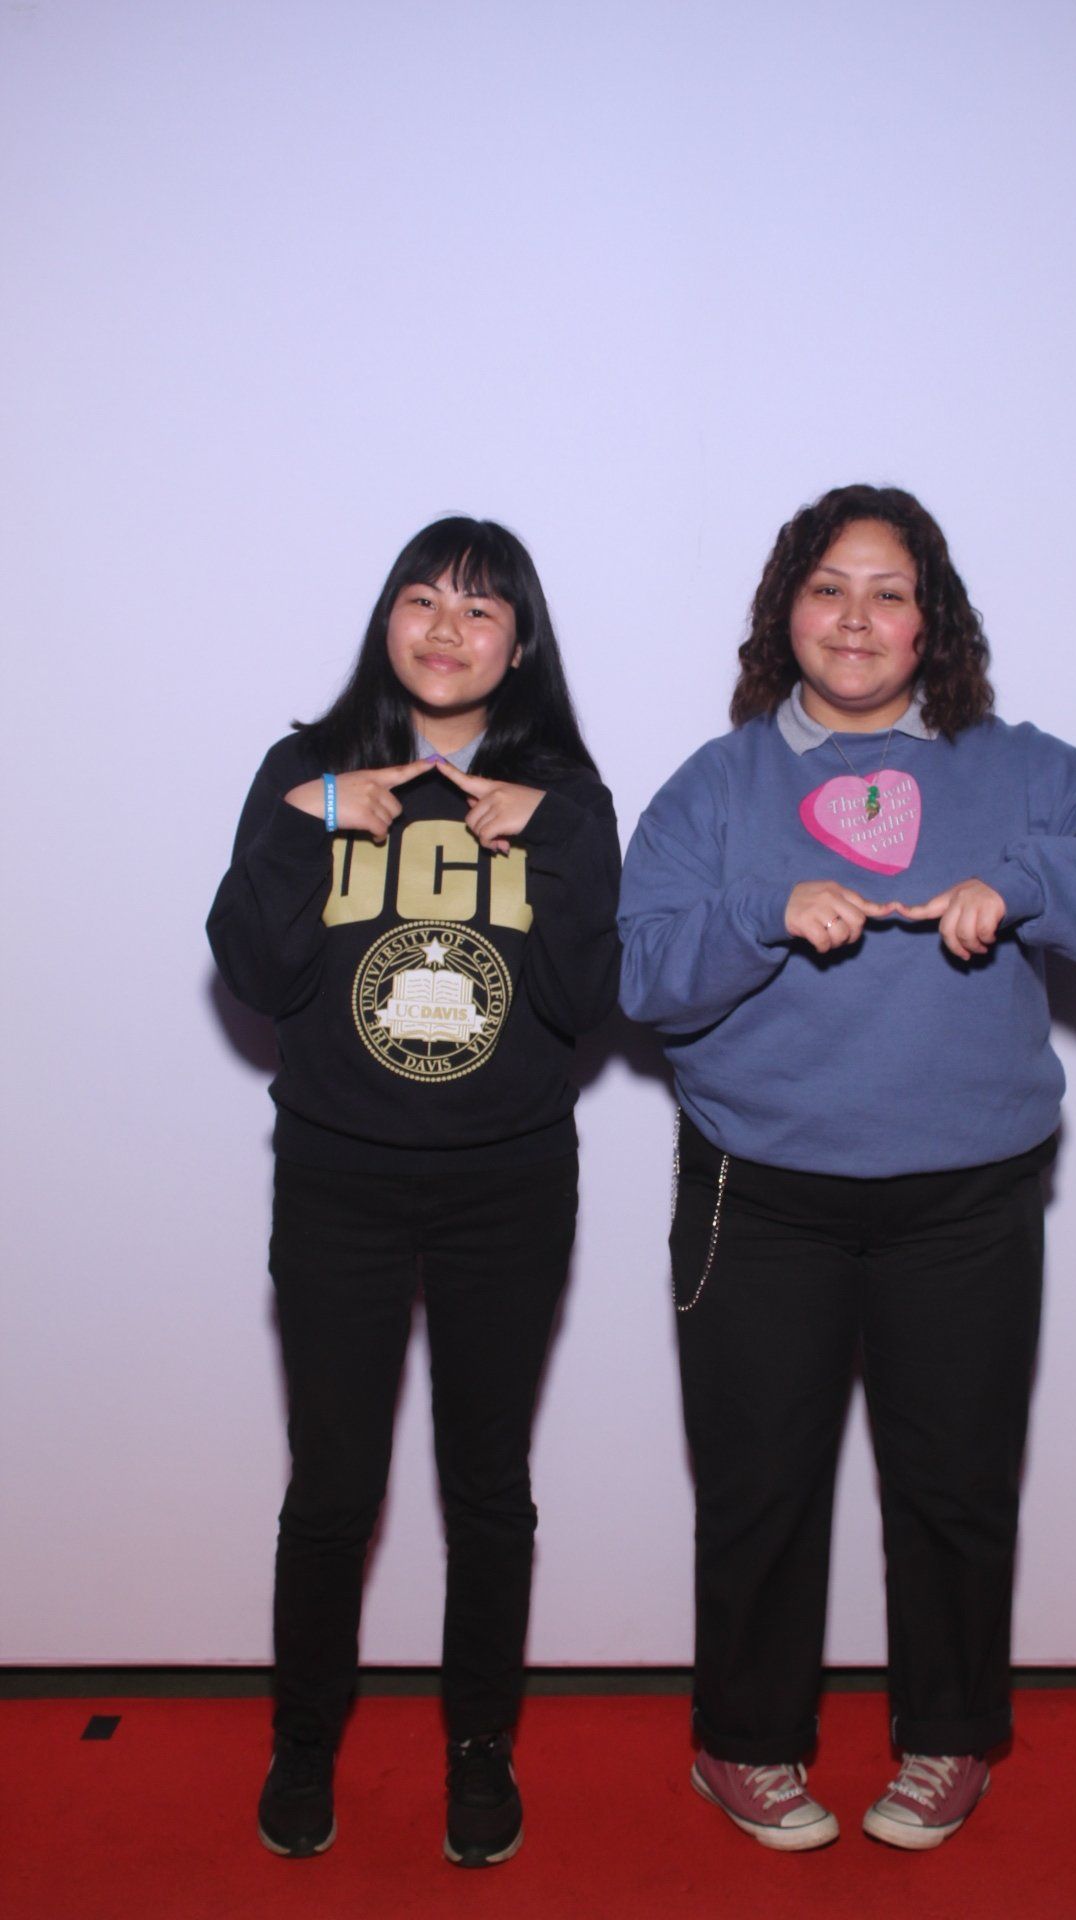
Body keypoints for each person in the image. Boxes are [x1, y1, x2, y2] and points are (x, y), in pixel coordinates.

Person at [618, 484, 1076, 1855]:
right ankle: (744, 1743)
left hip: (966, 1195)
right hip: (757, 1192)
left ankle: (950, 1738)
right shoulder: (718, 784)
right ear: (787, 611)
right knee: (760, 1485)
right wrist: (764, 912)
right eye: (828, 587)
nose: (856, 618)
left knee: (956, 1484)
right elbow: (637, 974)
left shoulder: (1017, 767)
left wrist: (1031, 882)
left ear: (931, 620)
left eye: (889, 592)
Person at [208, 516, 619, 1867]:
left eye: (481, 609)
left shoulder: (566, 794)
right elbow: (252, 969)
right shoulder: (304, 770)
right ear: (387, 618)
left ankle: (480, 1750)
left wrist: (550, 844)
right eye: (423, 600)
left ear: (522, 643)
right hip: (339, 1181)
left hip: (508, 1187)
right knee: (333, 1483)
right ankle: (303, 1744)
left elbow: (586, 997)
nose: (448, 629)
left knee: (487, 1483)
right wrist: (309, 821)